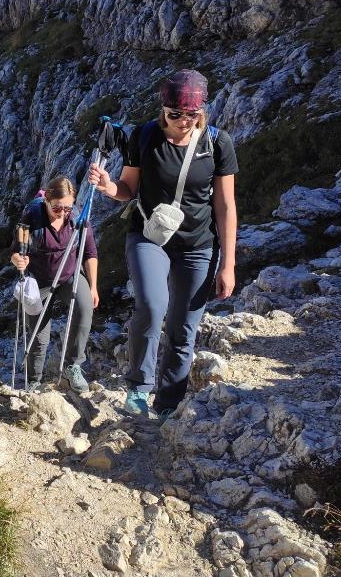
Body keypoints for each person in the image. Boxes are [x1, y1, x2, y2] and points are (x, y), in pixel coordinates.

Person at [87, 70, 238, 420]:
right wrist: (110, 187)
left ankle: (168, 403)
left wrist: (228, 264)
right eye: (175, 115)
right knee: (153, 306)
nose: (183, 122)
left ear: (202, 111)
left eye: (192, 114)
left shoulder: (218, 143)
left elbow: (226, 206)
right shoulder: (145, 136)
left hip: (199, 243)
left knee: (184, 327)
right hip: (148, 236)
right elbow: (128, 189)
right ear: (163, 110)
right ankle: (139, 389)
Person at [10, 175, 99, 394]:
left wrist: (93, 286)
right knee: (39, 335)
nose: (62, 213)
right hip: (38, 281)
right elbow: (15, 250)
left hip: (69, 276)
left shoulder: (78, 219)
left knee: (85, 307)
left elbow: (89, 253)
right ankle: (33, 380)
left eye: (67, 208)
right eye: (57, 208)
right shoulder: (32, 217)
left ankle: (72, 367)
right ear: (47, 200)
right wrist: (19, 260)